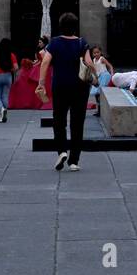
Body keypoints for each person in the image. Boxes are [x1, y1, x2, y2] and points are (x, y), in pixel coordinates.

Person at [36, 12, 94, 171]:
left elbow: (45, 62)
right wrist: (94, 76)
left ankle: (61, 151)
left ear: (60, 27)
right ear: (75, 27)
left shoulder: (54, 43)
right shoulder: (82, 43)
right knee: (77, 123)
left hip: (60, 85)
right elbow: (89, 62)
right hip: (80, 87)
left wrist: (41, 83)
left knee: (59, 120)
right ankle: (74, 161)